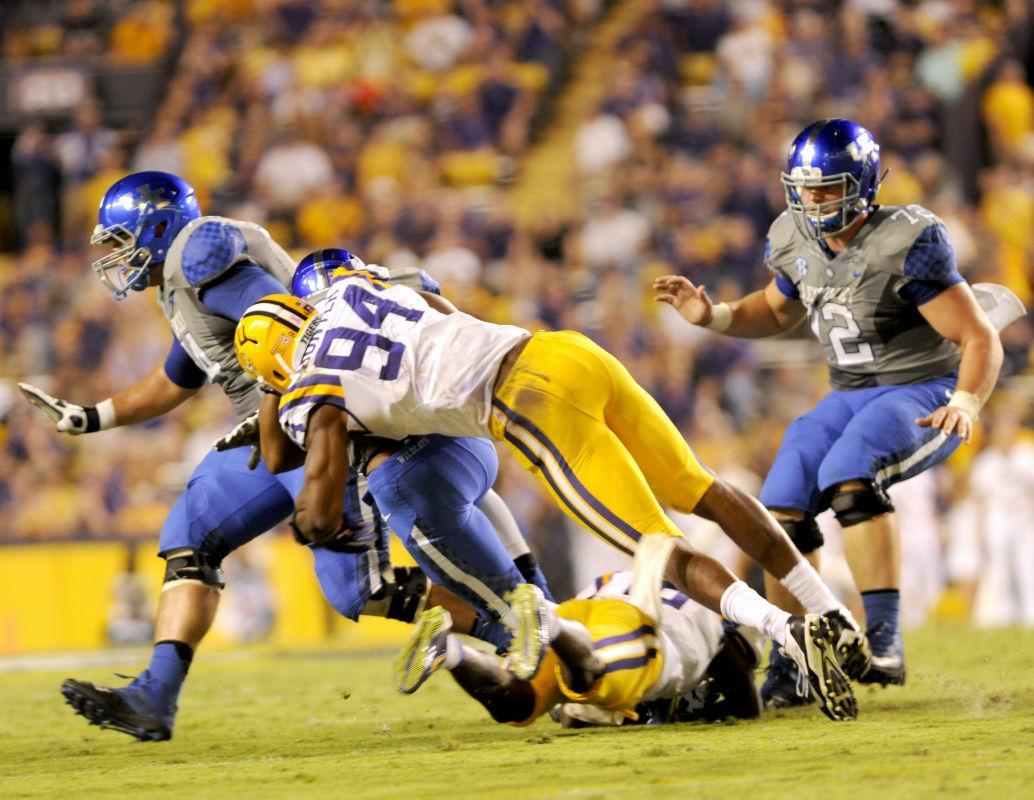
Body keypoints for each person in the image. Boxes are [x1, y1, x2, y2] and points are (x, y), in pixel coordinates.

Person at [236, 255, 868, 722]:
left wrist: (311, 508)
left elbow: (310, 496)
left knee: (658, 550)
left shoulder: (306, 384)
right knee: (699, 487)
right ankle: (828, 613)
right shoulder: (358, 285)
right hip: (562, 351)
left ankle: (788, 632)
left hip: (528, 404)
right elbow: (443, 313)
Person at [18, 171, 520, 741]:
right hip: (269, 434)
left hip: (312, 426)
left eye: (119, 239)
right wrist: (92, 416)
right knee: (191, 538)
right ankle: (154, 697)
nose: (114, 255)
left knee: (360, 593)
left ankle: (522, 633)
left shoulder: (202, 259)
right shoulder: (180, 287)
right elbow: (173, 378)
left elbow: (286, 327)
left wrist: (276, 413)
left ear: (156, 227)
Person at [653, 118, 1004, 701]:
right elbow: (776, 308)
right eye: (806, 189)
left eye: (828, 188)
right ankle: (798, 659)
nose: (814, 201)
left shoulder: (905, 239)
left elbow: (979, 336)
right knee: (780, 500)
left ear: (864, 183)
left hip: (921, 387)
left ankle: (885, 643)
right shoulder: (793, 237)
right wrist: (713, 317)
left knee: (849, 475)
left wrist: (967, 400)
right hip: (848, 393)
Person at [393, 551, 763, 729]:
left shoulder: (681, 599)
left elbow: (571, 719)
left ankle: (454, 653)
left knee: (516, 705)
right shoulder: (714, 632)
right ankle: (549, 625)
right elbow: (746, 704)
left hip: (585, 609)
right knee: (592, 673)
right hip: (636, 631)